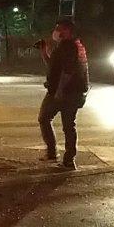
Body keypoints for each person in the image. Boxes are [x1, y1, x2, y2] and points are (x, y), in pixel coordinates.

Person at [37, 18, 89, 169]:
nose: (56, 31)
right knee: (45, 118)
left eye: (59, 28)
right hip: (59, 91)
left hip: (68, 92)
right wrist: (44, 51)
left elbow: (68, 71)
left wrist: (59, 91)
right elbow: (53, 66)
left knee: (67, 125)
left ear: (67, 31)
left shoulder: (71, 46)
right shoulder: (65, 46)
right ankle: (54, 154)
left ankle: (68, 160)